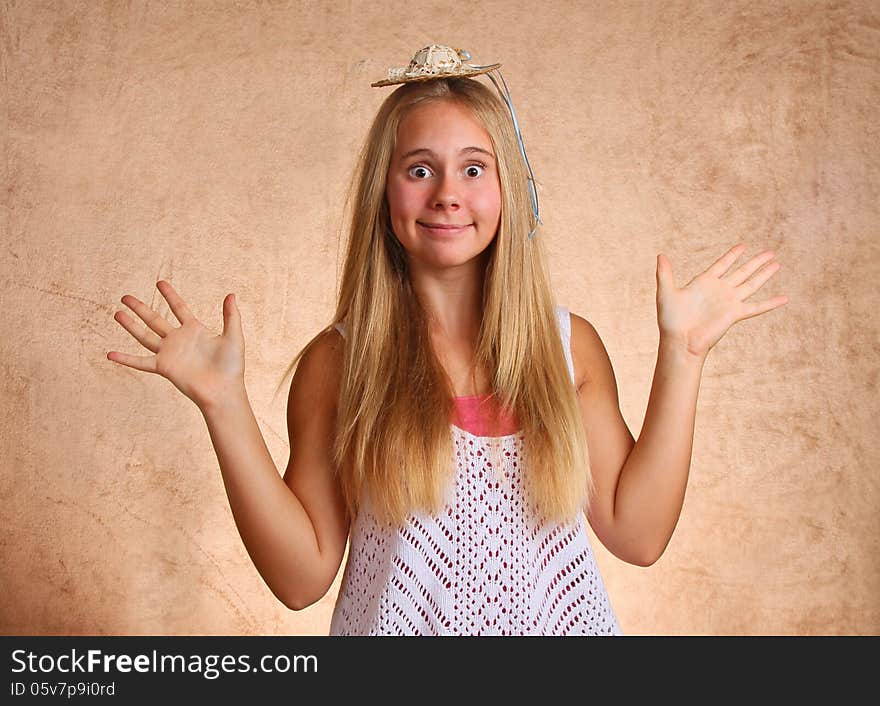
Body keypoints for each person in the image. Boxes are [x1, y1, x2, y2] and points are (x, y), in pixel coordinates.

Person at [107, 45, 789, 635]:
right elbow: (301, 577)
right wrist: (223, 405)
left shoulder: (566, 347)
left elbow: (636, 534)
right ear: (385, 191)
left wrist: (685, 356)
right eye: (418, 169)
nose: (447, 195)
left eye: (472, 167)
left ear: (507, 189)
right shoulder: (338, 362)